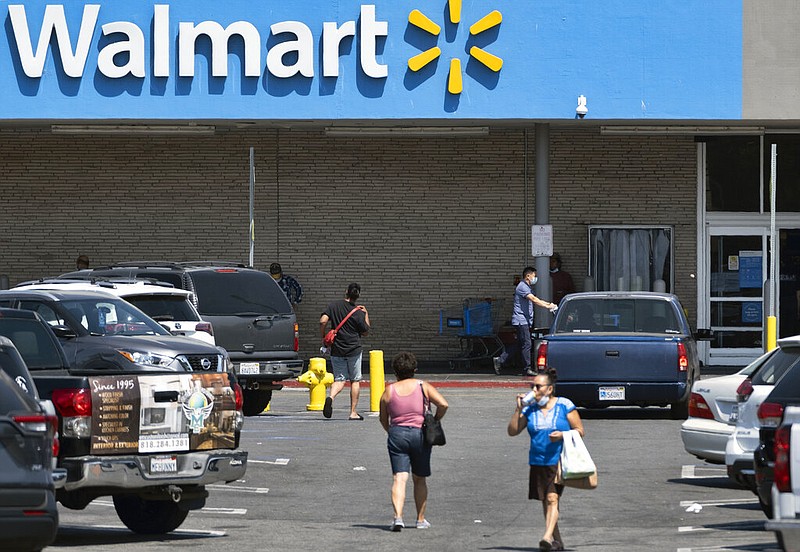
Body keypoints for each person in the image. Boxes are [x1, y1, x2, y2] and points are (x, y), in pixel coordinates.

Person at [507, 368, 585, 552]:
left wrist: (563, 435)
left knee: (552, 498)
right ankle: (558, 542)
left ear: (549, 389)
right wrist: (519, 410)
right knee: (546, 501)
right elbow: (512, 431)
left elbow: (580, 430)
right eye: (532, 386)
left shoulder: (564, 405)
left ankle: (547, 537)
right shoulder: (530, 409)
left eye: (538, 386)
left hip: (558, 460)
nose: (534, 390)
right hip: (537, 461)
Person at [379, 352, 448, 532]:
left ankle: (398, 517)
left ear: (395, 371)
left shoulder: (389, 391)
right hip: (419, 434)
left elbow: (383, 418)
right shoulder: (422, 386)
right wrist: (435, 420)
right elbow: (443, 404)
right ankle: (420, 519)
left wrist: (392, 431)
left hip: (397, 434)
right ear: (414, 370)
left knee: (399, 478)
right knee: (420, 479)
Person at [320, 283, 370, 420]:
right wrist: (366, 314)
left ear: (346, 291)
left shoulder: (334, 306)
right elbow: (365, 332)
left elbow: (323, 321)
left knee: (339, 379)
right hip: (353, 349)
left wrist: (324, 336)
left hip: (337, 349)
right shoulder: (359, 312)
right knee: (355, 380)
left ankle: (330, 397)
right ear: (357, 295)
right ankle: (353, 412)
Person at [494, 267, 557, 376]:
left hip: (524, 320)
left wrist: (548, 305)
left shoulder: (527, 287)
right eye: (534, 275)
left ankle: (500, 360)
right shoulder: (522, 287)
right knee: (527, 343)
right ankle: (527, 368)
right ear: (528, 276)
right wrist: (548, 305)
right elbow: (534, 299)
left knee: (520, 344)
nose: (535, 277)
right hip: (521, 320)